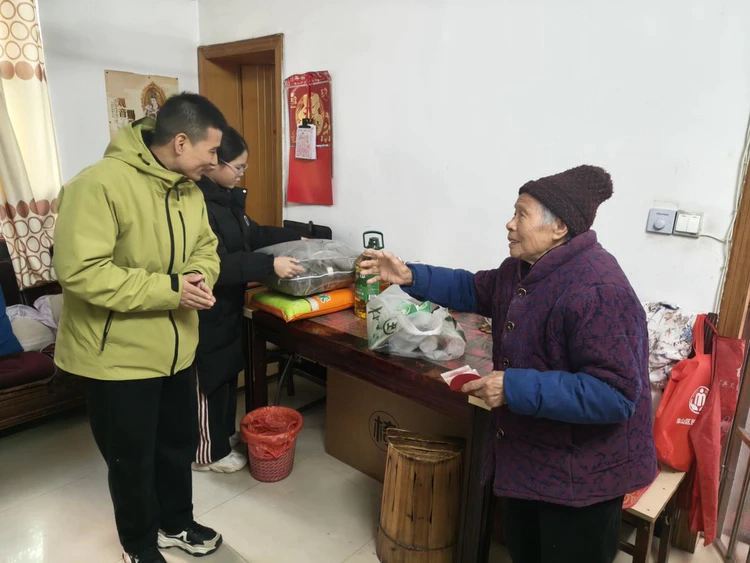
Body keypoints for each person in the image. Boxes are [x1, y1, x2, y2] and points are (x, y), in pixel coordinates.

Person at [360, 165, 657, 563]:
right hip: (528, 459)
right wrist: (410, 275)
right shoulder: (523, 270)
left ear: (558, 228)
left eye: (521, 214)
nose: (509, 224)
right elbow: (472, 288)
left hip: (580, 480)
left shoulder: (599, 289)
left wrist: (512, 387)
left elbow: (615, 394)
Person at [53, 93, 227, 563]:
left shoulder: (189, 191)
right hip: (117, 357)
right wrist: (171, 289)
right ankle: (139, 545)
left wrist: (200, 276)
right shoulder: (97, 185)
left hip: (176, 350)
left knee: (176, 445)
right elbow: (81, 271)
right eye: (212, 151)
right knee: (131, 459)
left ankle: (176, 523)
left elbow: (207, 248)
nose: (215, 163)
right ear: (181, 141)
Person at [192, 127, 304, 473]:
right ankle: (206, 454)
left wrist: (297, 238)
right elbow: (215, 264)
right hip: (204, 307)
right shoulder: (197, 205)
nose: (241, 173)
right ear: (214, 162)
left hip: (227, 305)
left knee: (227, 373)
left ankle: (222, 438)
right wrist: (269, 265)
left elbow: (253, 234)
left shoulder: (227, 201)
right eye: (238, 167)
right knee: (209, 380)